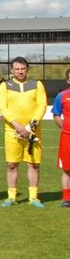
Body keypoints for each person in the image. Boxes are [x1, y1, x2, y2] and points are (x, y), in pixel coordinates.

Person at [0, 57, 47, 208]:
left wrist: (31, 126)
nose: (20, 71)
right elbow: (2, 107)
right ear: (12, 70)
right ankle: (12, 197)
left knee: (33, 164)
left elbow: (42, 105)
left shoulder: (37, 85)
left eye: (23, 68)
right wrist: (17, 125)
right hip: (12, 131)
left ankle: (33, 197)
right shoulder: (5, 86)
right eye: (17, 69)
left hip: (33, 132)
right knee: (12, 164)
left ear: (27, 69)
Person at [50, 67, 70, 208]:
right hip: (67, 137)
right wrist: (64, 127)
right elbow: (56, 115)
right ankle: (66, 198)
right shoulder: (62, 96)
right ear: (68, 80)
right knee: (67, 169)